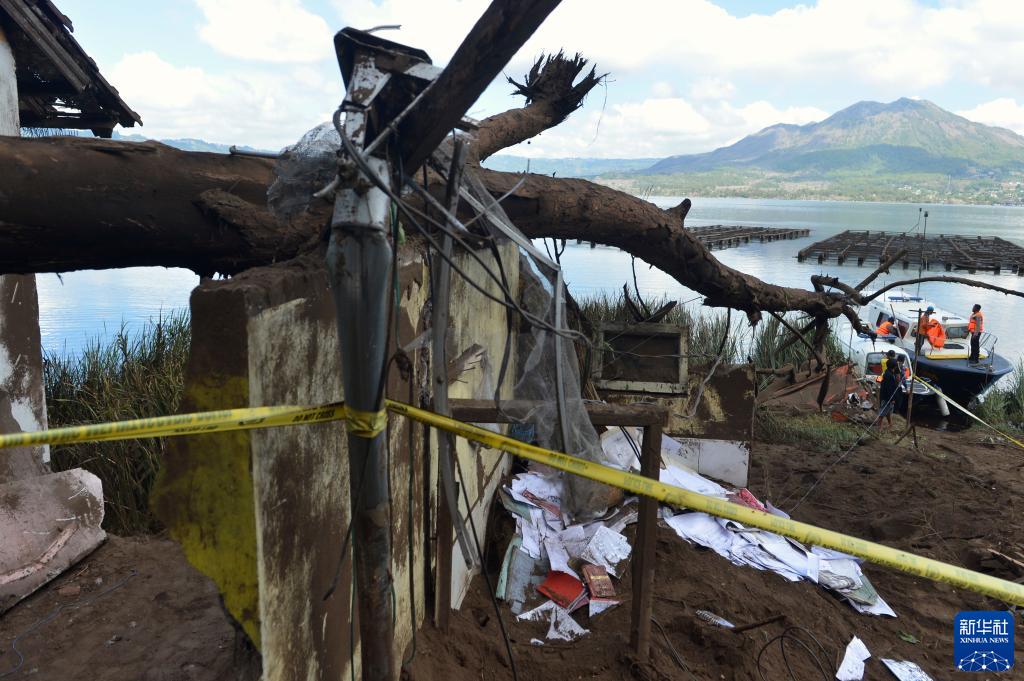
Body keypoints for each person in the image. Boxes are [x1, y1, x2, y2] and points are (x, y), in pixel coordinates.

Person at [878, 358, 901, 429]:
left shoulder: (888, 372)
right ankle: (879, 427)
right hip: (887, 397)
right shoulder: (889, 376)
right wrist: (892, 399)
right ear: (894, 367)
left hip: (886, 396)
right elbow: (889, 389)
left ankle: (890, 424)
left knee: (888, 411)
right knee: (883, 412)